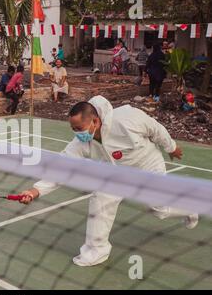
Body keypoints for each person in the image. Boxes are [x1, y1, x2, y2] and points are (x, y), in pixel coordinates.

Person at [18, 96, 199, 267]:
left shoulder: (128, 118)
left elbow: (155, 129)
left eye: (79, 128)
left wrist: (172, 147)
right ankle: (96, 251)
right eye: (73, 129)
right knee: (101, 198)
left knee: (159, 208)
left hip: (147, 166)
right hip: (116, 174)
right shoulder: (81, 143)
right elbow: (63, 168)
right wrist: (35, 191)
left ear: (95, 121)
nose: (76, 133)